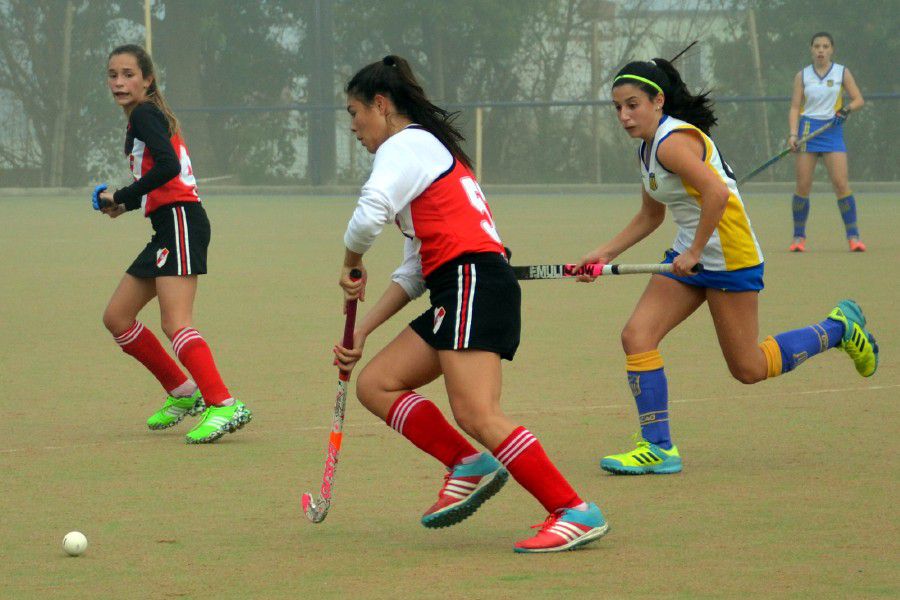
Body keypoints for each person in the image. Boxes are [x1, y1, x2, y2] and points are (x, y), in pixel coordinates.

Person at [332, 55, 608, 553]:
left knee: (478, 412)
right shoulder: (428, 155)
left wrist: (352, 262)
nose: (353, 127)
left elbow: (368, 216)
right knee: (376, 383)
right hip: (456, 287)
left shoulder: (406, 145)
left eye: (354, 113)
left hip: (473, 283)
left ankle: (572, 510)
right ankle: (466, 463)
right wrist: (363, 329)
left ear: (381, 105)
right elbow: (416, 271)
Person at [575, 55, 878, 475]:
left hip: (729, 255)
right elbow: (651, 215)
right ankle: (658, 448)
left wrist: (696, 251)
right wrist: (605, 253)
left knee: (748, 368)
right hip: (689, 254)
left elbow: (716, 194)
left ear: (657, 100)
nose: (624, 116)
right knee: (637, 335)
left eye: (632, 105)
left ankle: (838, 328)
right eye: (618, 108)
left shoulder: (672, 143)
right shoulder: (647, 149)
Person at [94, 44, 251, 444]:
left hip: (181, 222)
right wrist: (124, 204)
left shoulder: (145, 113)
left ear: (147, 79)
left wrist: (124, 194)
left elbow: (169, 168)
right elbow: (162, 179)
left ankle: (223, 403)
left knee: (175, 322)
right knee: (118, 317)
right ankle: (184, 394)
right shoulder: (142, 118)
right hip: (168, 225)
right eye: (113, 75)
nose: (119, 82)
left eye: (128, 74)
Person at [788, 32, 865, 252]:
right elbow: (795, 107)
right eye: (817, 46)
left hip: (832, 130)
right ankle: (798, 238)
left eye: (825, 46)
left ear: (832, 49)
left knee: (841, 185)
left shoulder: (842, 72)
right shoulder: (802, 76)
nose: (821, 50)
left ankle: (854, 237)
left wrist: (846, 109)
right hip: (809, 130)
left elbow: (858, 99)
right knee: (803, 186)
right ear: (811, 49)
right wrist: (793, 134)